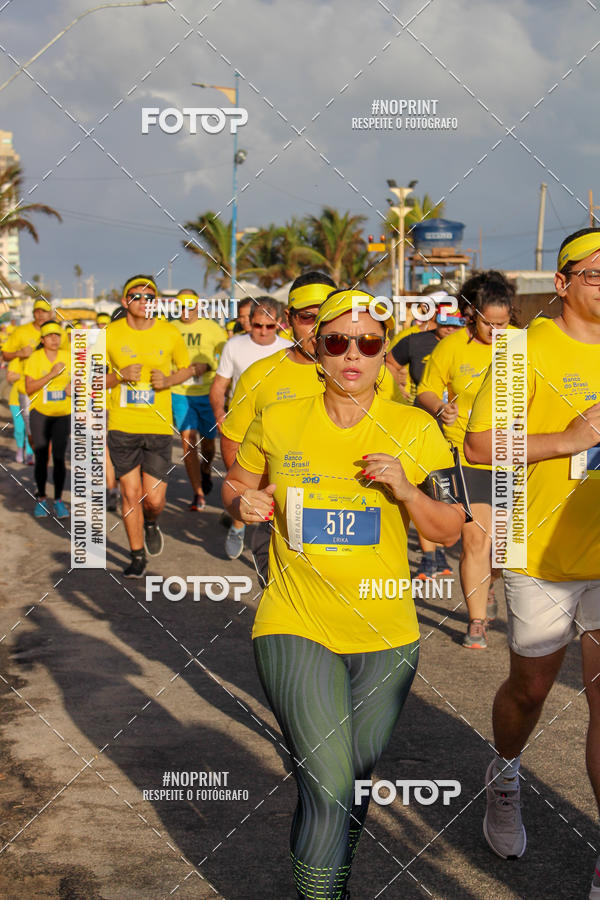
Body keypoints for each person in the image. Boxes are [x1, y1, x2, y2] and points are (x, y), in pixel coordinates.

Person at [223, 289, 465, 899]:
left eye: (368, 342)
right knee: (329, 784)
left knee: (348, 786)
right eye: (337, 341)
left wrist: (408, 491)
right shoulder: (280, 418)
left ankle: (325, 871)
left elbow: (450, 528)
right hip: (295, 621)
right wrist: (242, 503)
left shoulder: (413, 427)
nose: (352, 354)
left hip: (388, 635)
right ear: (316, 347)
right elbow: (236, 484)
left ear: (385, 352)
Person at [463, 228, 600, 888]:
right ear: (565, 283)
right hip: (538, 551)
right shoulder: (525, 350)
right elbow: (481, 444)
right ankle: (506, 770)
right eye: (596, 271)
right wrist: (569, 437)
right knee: (531, 689)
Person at [418, 271, 514, 647]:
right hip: (467, 453)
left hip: (513, 455)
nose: (496, 330)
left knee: (504, 547)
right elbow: (425, 390)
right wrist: (441, 407)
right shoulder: (453, 346)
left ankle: (489, 581)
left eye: (503, 323)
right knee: (475, 538)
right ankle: (476, 621)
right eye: (488, 323)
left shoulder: (521, 346)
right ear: (472, 315)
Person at [221, 271, 336, 580]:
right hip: (277, 522)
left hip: (345, 520)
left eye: (329, 317)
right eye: (308, 317)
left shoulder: (366, 372)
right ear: (289, 318)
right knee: (285, 615)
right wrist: (247, 496)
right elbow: (233, 441)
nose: (317, 329)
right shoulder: (259, 375)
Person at [105, 275, 191, 578]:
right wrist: (118, 376)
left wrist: (168, 381)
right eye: (136, 296)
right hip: (122, 425)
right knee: (130, 494)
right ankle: (137, 554)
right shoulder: (108, 334)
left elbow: (187, 369)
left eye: (149, 297)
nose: (143, 302)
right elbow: (88, 380)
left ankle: (152, 521)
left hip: (156, 426)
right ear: (124, 300)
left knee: (153, 498)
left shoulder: (169, 333)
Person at [210, 297, 292, 559]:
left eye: (270, 327)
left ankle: (276, 541)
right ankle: (237, 526)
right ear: (250, 322)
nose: (263, 332)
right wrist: (219, 413)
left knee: (274, 486)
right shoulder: (234, 346)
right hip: (242, 427)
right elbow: (220, 385)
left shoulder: (291, 347)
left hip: (282, 429)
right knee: (242, 484)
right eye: (258, 325)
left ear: (279, 324)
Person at [391, 299, 465, 581]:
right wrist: (398, 390)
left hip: (459, 433)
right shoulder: (416, 341)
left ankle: (442, 551)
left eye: (456, 323)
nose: (450, 329)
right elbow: (389, 362)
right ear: (436, 320)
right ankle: (429, 558)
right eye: (445, 323)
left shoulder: (467, 347)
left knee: (446, 496)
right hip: (422, 425)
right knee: (422, 491)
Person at [170, 288, 227, 510]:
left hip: (207, 391)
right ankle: (198, 493)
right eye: (180, 307)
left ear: (198, 306)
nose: (185, 311)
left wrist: (210, 366)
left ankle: (206, 469)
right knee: (188, 439)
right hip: (180, 391)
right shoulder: (171, 329)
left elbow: (225, 359)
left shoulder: (213, 329)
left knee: (210, 443)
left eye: (189, 306)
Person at [2, 298, 66, 463]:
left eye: (44, 311)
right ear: (33, 313)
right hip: (29, 388)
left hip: (56, 389)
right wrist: (19, 354)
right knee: (30, 429)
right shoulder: (21, 331)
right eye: (37, 311)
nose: (40, 315)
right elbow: (6, 354)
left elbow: (74, 357)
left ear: (50, 313)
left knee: (52, 429)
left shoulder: (60, 333)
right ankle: (34, 453)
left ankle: (43, 459)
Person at [24, 321, 72, 518]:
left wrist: (73, 387)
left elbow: (80, 380)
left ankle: (59, 500)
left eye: (57, 335)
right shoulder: (35, 358)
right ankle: (42, 499)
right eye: (50, 335)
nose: (54, 338)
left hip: (62, 414)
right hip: (41, 414)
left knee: (59, 459)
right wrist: (51, 375)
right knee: (42, 457)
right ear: (42, 340)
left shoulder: (68, 356)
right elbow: (29, 388)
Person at [6, 356, 33, 463]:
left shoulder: (36, 358)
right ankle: (20, 449)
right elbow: (9, 378)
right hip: (16, 400)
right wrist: (25, 375)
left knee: (30, 428)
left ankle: (30, 453)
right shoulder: (16, 360)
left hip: (33, 399)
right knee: (19, 428)